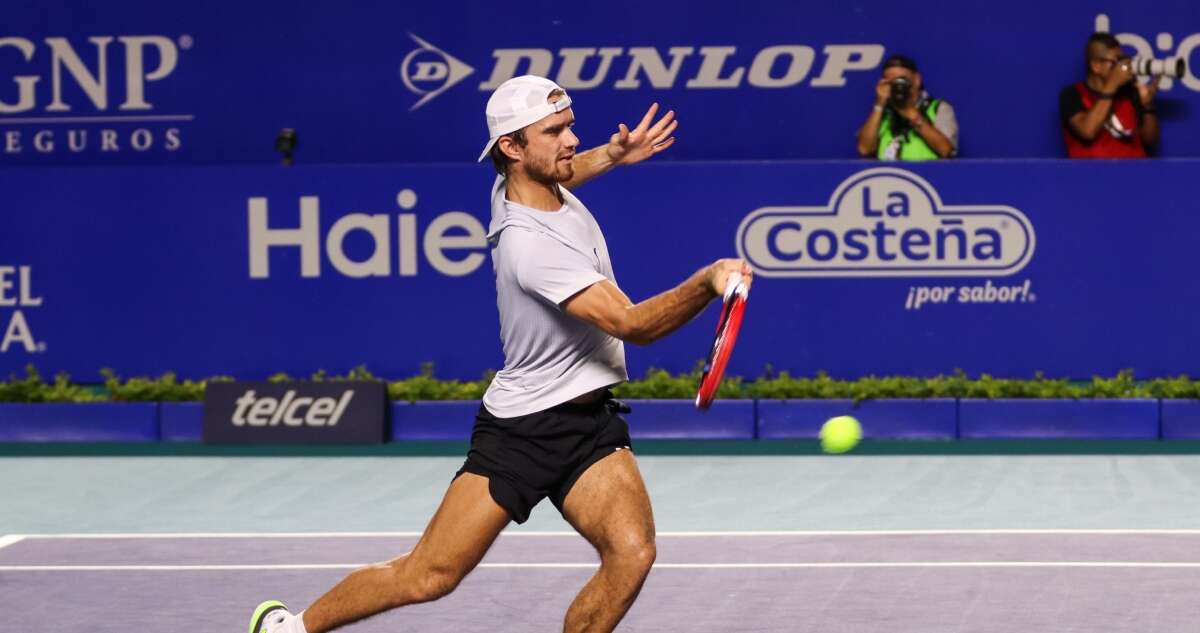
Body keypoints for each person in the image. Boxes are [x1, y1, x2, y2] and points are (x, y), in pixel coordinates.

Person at [248, 75, 753, 633]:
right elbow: (634, 325)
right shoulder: (529, 246)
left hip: (589, 420)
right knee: (429, 576)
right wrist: (708, 281)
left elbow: (566, 171)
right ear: (513, 148)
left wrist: (611, 154)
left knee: (632, 553)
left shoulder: (525, 183)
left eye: (570, 126)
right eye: (555, 131)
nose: (571, 141)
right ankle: (291, 628)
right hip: (524, 431)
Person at [1060, 32, 1160, 158]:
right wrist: (1112, 84)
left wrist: (1148, 105)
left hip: (1135, 174)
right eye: (1116, 61)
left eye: (1122, 59)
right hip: (1090, 175)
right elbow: (1087, 131)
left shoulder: (1130, 92)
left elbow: (1150, 140)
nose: (1122, 66)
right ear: (1096, 66)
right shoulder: (1072, 94)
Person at [856, 54, 959, 160]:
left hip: (927, 175)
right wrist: (879, 105)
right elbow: (864, 149)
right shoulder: (883, 113)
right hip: (889, 175)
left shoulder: (938, 108)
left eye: (902, 80)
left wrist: (912, 114)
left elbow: (947, 150)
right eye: (891, 82)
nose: (898, 86)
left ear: (917, 80)